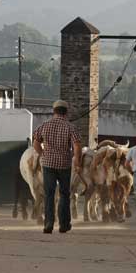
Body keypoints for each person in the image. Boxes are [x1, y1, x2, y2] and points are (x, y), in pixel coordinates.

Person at [33, 100, 82, 234]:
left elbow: (35, 143)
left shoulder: (44, 125)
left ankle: (48, 223)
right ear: (66, 112)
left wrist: (43, 154)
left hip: (48, 164)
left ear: (54, 111)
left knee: (49, 194)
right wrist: (78, 163)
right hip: (64, 164)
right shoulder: (70, 127)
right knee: (64, 194)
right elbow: (77, 147)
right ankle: (64, 225)